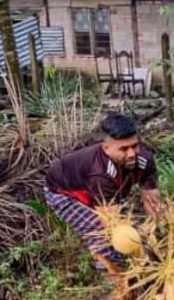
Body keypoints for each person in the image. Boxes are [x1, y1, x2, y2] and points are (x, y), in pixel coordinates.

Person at [44, 113, 161, 270]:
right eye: (124, 149)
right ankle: (110, 274)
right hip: (64, 193)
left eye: (134, 145)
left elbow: (152, 201)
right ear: (106, 148)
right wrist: (140, 254)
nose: (132, 153)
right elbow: (111, 223)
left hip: (97, 191)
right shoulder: (100, 174)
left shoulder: (145, 160)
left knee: (138, 226)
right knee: (102, 232)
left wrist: (160, 230)